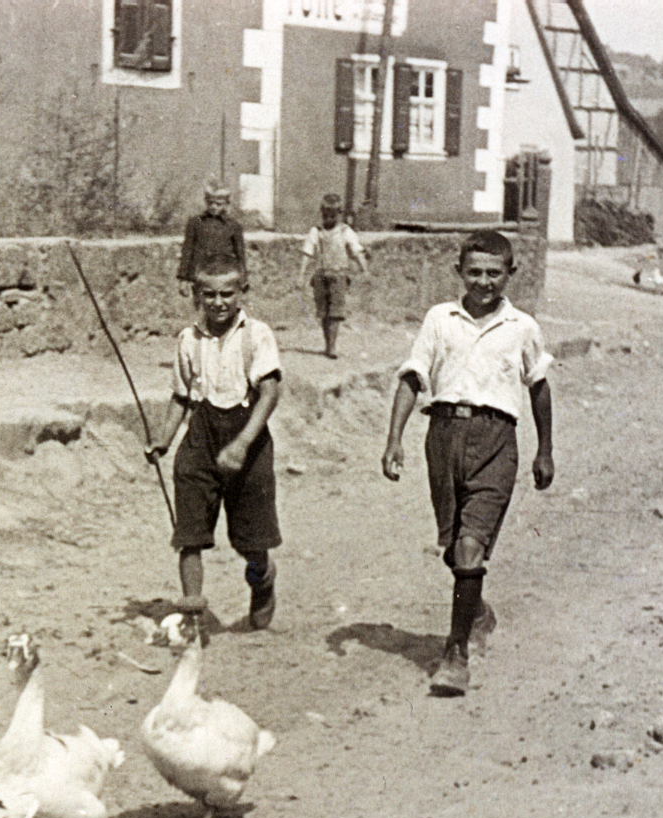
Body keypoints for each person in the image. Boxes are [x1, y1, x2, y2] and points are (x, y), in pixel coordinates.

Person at [380, 230, 554, 697]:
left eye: (493, 273)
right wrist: (394, 438)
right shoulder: (440, 319)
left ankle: (455, 654)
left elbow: (538, 387)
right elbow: (413, 377)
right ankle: (474, 610)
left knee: (470, 547)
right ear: (459, 272)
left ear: (510, 274)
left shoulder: (522, 327)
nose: (483, 282)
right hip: (443, 438)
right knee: (453, 548)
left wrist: (545, 449)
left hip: (497, 440)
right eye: (474, 272)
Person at [145, 259, 282, 631]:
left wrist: (242, 443)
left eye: (227, 293)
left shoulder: (257, 335)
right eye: (209, 294)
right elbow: (180, 397)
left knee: (249, 540)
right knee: (189, 533)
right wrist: (163, 439)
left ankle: (262, 578)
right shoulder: (188, 340)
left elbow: (269, 394)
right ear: (196, 295)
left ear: (242, 293)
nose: (219, 302)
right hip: (200, 442)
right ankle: (192, 615)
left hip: (248, 443)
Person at [297, 193, 369, 359]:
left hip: (339, 276)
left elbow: (356, 251)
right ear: (321, 213)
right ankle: (327, 343)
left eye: (332, 216)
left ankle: (332, 346)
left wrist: (365, 270)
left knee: (336, 312)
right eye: (325, 215)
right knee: (324, 312)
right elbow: (307, 253)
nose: (328, 219)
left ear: (339, 215)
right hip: (321, 276)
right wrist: (301, 275)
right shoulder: (316, 231)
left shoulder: (345, 231)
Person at [176, 181, 248, 309]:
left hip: (224, 274)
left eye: (218, 204)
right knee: (202, 306)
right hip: (200, 275)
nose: (213, 206)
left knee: (223, 306)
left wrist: (243, 277)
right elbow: (187, 250)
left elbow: (240, 254)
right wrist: (183, 278)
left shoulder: (233, 225)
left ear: (226, 204)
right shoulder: (195, 222)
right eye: (210, 203)